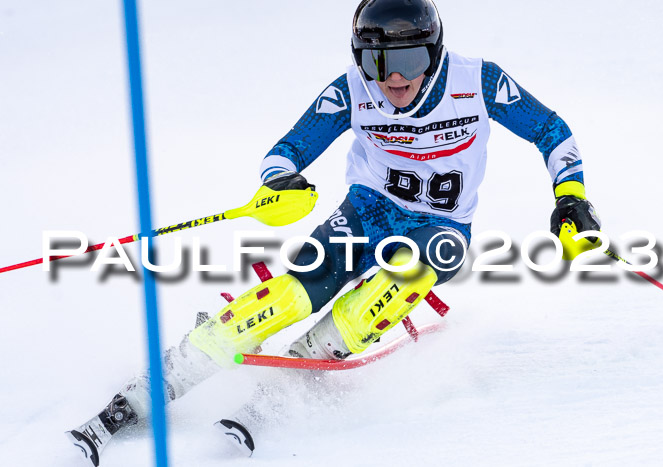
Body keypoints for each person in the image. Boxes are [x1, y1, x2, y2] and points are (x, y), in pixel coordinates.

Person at [67, 0, 601, 465]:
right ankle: (149, 390)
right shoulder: (352, 90)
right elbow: (286, 150)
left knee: (405, 276)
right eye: (376, 62)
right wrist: (282, 181)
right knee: (289, 297)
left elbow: (552, 131)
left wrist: (571, 198)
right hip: (367, 211)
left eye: (409, 61)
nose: (393, 79)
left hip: (441, 227)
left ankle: (293, 379)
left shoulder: (478, 80)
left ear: (435, 54)